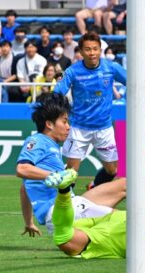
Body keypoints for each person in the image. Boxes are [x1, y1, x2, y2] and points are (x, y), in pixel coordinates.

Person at [17, 93, 145, 235]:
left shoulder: (51, 147)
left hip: (71, 203)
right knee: (124, 221)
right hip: (59, 212)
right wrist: (51, 176)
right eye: (64, 121)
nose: (68, 126)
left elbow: (24, 189)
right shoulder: (38, 141)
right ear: (49, 124)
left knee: (124, 184)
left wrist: (28, 222)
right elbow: (22, 169)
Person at [53, 31, 126, 187]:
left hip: (104, 128)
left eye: (95, 49)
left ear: (100, 50)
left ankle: (93, 187)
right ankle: (65, 205)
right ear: (81, 52)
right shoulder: (73, 71)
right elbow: (57, 94)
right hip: (79, 128)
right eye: (87, 49)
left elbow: (132, 81)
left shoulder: (111, 67)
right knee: (71, 173)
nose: (92, 53)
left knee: (112, 170)